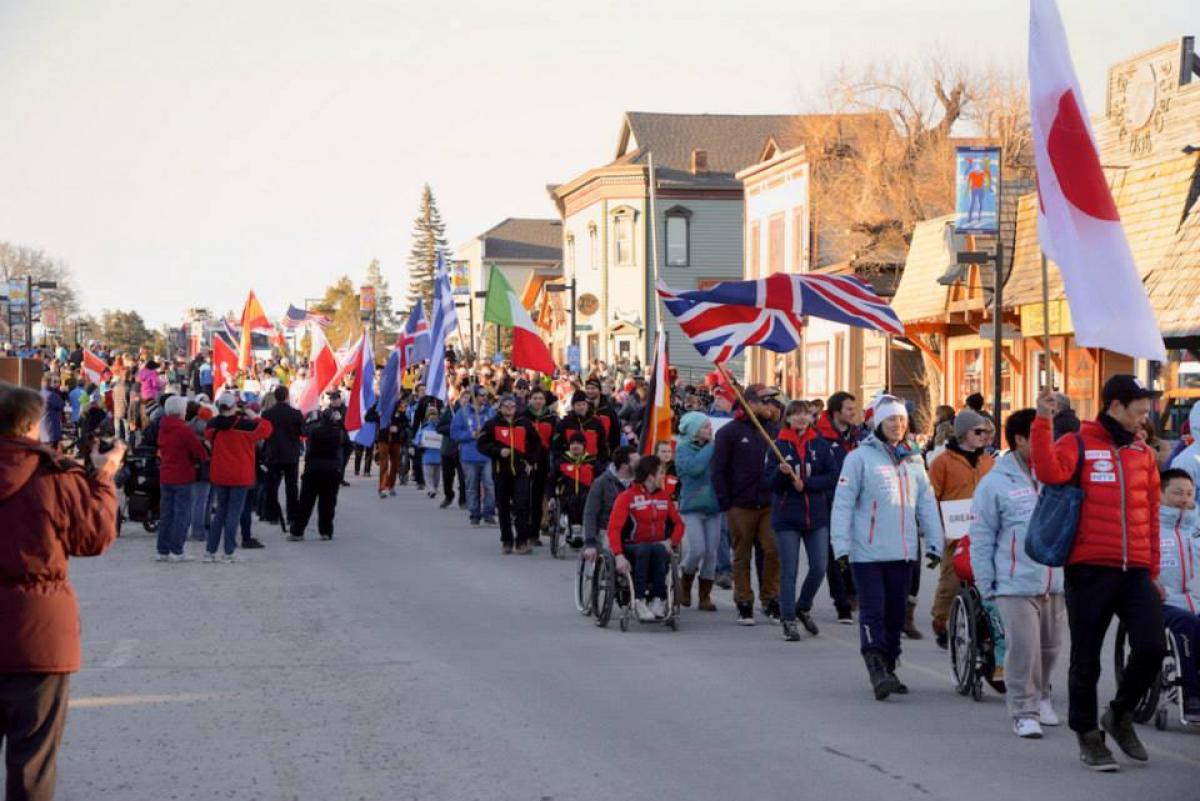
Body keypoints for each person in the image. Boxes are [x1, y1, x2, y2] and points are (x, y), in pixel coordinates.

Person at [1031, 377, 1164, 771]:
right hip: (1089, 569)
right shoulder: (1079, 443)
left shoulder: (1143, 454)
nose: (1145, 419)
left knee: (1152, 647)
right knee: (1086, 660)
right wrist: (1042, 420)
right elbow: (1048, 472)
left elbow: (1153, 516)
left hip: (1135, 570)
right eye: (1139, 411)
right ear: (1116, 407)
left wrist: (1153, 569)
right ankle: (1088, 735)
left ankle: (1119, 715)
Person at [0, 383, 123, 801]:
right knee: (32, 764)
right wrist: (104, 476)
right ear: (32, 425)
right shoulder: (54, 474)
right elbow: (94, 537)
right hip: (40, 637)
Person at [831, 394, 942, 700]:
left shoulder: (914, 458)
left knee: (896, 615)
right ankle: (876, 667)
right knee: (873, 611)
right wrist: (840, 547)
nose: (897, 425)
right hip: (867, 552)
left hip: (903, 552)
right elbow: (842, 505)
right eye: (891, 420)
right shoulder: (859, 459)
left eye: (902, 420)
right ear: (879, 423)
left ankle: (889, 664)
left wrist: (934, 542)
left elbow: (926, 504)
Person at [970, 408, 1065, 739]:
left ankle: (1042, 696)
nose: (1048, 442)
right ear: (1022, 439)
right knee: (1024, 648)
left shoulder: (1057, 476)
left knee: (1050, 648)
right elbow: (981, 537)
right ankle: (1023, 710)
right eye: (1041, 435)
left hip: (1054, 579)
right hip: (1014, 581)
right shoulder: (994, 483)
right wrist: (986, 585)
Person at [768, 401, 838, 641]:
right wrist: (781, 473)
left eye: (804, 414)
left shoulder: (820, 445)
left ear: (811, 418)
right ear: (787, 418)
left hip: (816, 515)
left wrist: (806, 484)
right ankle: (788, 618)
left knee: (819, 566)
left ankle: (803, 605)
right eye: (795, 414)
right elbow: (769, 484)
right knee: (789, 570)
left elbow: (832, 476)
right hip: (787, 516)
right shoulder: (777, 446)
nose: (800, 418)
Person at [713, 383, 782, 625]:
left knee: (773, 549)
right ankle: (744, 602)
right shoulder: (729, 433)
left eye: (771, 401)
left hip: (768, 503)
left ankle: (771, 598)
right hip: (739, 504)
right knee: (742, 555)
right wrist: (726, 502)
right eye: (764, 401)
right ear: (750, 403)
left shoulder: (774, 431)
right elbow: (718, 470)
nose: (769, 406)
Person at [928, 408, 996, 648]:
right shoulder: (942, 463)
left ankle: (982, 626)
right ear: (963, 434)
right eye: (978, 431)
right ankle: (941, 619)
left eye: (986, 432)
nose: (983, 436)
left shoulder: (989, 461)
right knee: (951, 582)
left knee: (984, 580)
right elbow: (931, 498)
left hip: (982, 531)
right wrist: (938, 529)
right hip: (954, 533)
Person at [607, 455, 685, 622]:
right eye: (661, 473)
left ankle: (658, 600)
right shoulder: (627, 497)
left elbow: (679, 524)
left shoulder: (664, 497)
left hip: (657, 546)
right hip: (632, 547)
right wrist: (618, 555)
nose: (663, 476)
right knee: (647, 548)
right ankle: (639, 600)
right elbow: (614, 529)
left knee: (658, 548)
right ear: (650, 475)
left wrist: (672, 541)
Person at [204, 392, 272, 562]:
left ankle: (210, 551)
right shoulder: (245, 425)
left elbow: (207, 436)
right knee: (233, 513)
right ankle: (229, 551)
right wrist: (253, 415)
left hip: (220, 473)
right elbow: (267, 428)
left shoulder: (212, 425)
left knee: (220, 512)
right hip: (240, 474)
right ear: (234, 407)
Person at [815, 391, 863, 624]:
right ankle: (842, 601)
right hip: (829, 503)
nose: (853, 413)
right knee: (835, 556)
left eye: (854, 409)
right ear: (836, 413)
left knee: (855, 553)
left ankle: (854, 590)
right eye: (849, 409)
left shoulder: (859, 436)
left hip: (857, 504)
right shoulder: (820, 438)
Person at [1156, 468, 1200, 718]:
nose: (1184, 498)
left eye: (1189, 493)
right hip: (1164, 603)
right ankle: (1192, 694)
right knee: (1188, 623)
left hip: (1195, 599)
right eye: (1177, 493)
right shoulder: (1149, 525)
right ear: (1161, 493)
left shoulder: (1196, 528)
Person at [477, 394, 543, 554]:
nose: (509, 409)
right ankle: (506, 539)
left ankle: (522, 540)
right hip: (501, 471)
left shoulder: (524, 423)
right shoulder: (492, 424)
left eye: (512, 406)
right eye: (505, 406)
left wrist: (531, 462)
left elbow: (536, 443)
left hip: (520, 471)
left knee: (522, 505)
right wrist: (498, 451)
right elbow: (481, 444)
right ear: (500, 407)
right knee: (504, 507)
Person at [675, 412, 720, 612]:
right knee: (698, 549)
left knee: (711, 552)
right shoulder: (683, 449)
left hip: (713, 506)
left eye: (710, 426)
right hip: (692, 506)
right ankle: (685, 578)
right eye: (704, 427)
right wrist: (710, 447)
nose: (709, 430)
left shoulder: (714, 449)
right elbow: (694, 468)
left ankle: (705, 595)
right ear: (693, 430)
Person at [155, 396, 208, 562]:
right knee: (181, 514)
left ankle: (162, 549)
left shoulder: (162, 428)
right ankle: (177, 550)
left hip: (166, 474)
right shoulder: (184, 430)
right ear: (181, 411)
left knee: (166, 514)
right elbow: (199, 452)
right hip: (183, 475)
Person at [291, 408, 345, 541]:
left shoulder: (314, 430)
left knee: (305, 502)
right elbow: (346, 439)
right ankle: (325, 531)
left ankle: (298, 531)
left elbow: (304, 429)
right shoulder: (339, 433)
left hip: (313, 469)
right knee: (328, 503)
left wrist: (312, 417)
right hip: (332, 470)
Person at [451, 385, 496, 526]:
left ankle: (488, 513)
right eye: (482, 395)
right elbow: (454, 433)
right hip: (469, 456)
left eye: (485, 395)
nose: (484, 398)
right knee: (471, 486)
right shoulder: (463, 413)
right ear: (474, 396)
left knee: (490, 485)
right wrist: (471, 434)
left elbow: (498, 431)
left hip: (487, 455)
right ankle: (474, 514)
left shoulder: (491, 413)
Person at [583, 446, 637, 560]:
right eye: (636, 462)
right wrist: (590, 542)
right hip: (607, 530)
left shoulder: (640, 483)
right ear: (624, 466)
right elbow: (590, 513)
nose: (640, 465)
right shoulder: (601, 483)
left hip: (633, 531)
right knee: (611, 554)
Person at [262, 385, 304, 529]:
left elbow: (264, 434)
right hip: (291, 454)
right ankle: (292, 515)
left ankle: (272, 514)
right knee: (291, 486)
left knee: (272, 486)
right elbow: (302, 432)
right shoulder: (295, 413)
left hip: (273, 454)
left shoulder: (267, 414)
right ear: (286, 396)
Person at [522, 388, 556, 541]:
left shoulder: (550, 418)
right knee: (523, 497)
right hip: (525, 460)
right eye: (535, 398)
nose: (537, 401)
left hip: (543, 461)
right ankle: (523, 531)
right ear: (530, 400)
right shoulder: (522, 417)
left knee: (537, 498)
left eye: (540, 398)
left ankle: (534, 534)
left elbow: (555, 440)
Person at [554, 433, 596, 546]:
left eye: (578, 443)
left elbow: (601, 479)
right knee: (572, 500)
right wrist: (550, 497)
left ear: (584, 446)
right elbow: (551, 479)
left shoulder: (592, 461)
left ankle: (581, 530)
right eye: (572, 443)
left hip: (587, 495)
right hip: (567, 494)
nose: (575, 446)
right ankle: (573, 529)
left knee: (585, 500)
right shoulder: (562, 461)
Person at [554, 390, 608, 468]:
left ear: (587, 405)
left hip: (591, 464)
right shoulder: (565, 423)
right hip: (569, 463)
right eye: (578, 405)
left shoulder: (596, 423)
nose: (581, 407)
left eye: (583, 404)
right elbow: (557, 445)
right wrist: (561, 461)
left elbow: (602, 444)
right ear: (573, 406)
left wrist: (599, 462)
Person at [375, 395, 410, 498]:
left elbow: (405, 422)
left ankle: (391, 485)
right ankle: (382, 487)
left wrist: (398, 427)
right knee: (384, 463)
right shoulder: (380, 403)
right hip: (383, 438)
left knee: (395, 464)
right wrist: (380, 417)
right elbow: (368, 416)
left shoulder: (399, 405)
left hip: (396, 439)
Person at [418, 407, 443, 499]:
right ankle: (430, 489)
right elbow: (418, 439)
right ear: (427, 416)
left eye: (434, 414)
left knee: (436, 477)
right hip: (427, 456)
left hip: (438, 457)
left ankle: (434, 488)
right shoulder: (424, 428)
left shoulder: (440, 428)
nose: (433, 417)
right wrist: (419, 444)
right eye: (430, 415)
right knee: (428, 476)